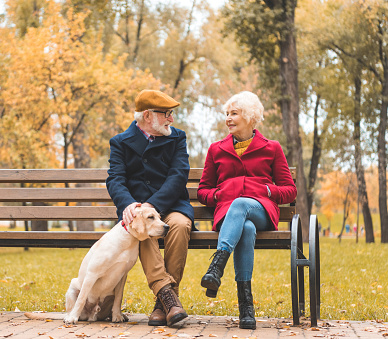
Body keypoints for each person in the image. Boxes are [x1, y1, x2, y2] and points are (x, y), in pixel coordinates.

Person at [197, 91, 297, 329]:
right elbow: (203, 191)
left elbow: (289, 190)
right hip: (228, 215)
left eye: (234, 113)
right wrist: (219, 195)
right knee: (246, 228)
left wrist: (267, 191)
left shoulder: (271, 148)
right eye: (227, 114)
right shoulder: (216, 149)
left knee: (242, 205)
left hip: (261, 209)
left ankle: (217, 267)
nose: (228, 119)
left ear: (251, 117)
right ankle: (246, 306)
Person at [106, 89, 194, 327]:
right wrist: (128, 204)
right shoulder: (120, 142)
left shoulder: (177, 138)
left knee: (180, 225)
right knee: (141, 225)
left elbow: (178, 176)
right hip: (138, 209)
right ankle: (168, 298)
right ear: (147, 115)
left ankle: (161, 304)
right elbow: (115, 179)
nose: (171, 119)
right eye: (166, 113)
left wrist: (153, 204)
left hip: (171, 204)